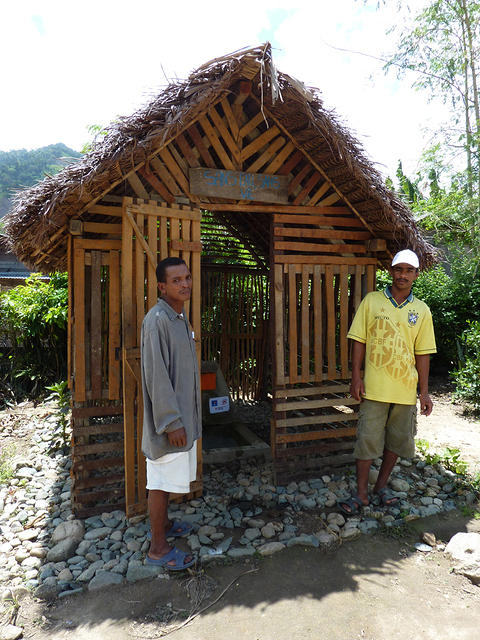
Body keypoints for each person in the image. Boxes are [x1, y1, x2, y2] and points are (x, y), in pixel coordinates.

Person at [338, 249, 436, 515]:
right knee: (367, 440)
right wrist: (356, 375)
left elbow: (423, 353)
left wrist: (424, 393)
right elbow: (358, 339)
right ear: (391, 271)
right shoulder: (372, 302)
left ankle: (380, 487)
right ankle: (361, 494)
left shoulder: (422, 311)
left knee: (396, 442)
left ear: (416, 275)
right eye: (398, 269)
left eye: (409, 271)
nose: (403, 275)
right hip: (374, 388)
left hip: (405, 391)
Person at [141, 257, 201, 570]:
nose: (185, 284)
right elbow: (156, 376)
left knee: (166, 478)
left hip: (181, 421)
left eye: (187, 277)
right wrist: (171, 422)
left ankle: (164, 526)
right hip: (168, 424)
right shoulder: (157, 320)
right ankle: (158, 548)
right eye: (176, 280)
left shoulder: (179, 318)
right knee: (160, 482)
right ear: (162, 286)